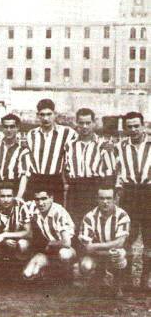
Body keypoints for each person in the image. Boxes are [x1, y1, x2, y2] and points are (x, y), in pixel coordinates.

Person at [114, 111, 150, 291]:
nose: (134, 129)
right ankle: (126, 279)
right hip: (129, 194)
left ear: (143, 125)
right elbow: (116, 172)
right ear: (125, 128)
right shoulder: (119, 147)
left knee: (150, 239)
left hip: (149, 192)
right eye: (130, 126)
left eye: (137, 125)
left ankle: (146, 279)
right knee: (128, 237)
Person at [78, 186, 130, 298]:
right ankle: (96, 279)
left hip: (111, 252)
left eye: (108, 198)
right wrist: (105, 251)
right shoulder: (89, 217)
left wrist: (95, 246)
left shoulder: (122, 215)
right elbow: (86, 247)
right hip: (96, 255)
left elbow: (120, 242)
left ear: (115, 199)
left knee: (119, 255)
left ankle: (117, 285)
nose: (105, 202)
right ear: (97, 199)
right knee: (85, 265)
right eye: (101, 198)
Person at [65, 108, 114, 225]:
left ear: (94, 123)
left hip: (94, 187)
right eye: (81, 123)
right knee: (74, 222)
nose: (85, 126)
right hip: (75, 188)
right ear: (76, 124)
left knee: (94, 221)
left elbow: (110, 172)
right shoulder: (70, 145)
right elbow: (66, 168)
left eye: (88, 123)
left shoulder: (103, 144)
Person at [25, 99, 77, 203]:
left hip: (55, 180)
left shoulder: (67, 132)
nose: (46, 118)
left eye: (49, 114)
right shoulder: (31, 134)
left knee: (56, 212)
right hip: (35, 179)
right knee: (32, 212)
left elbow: (85, 138)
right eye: (42, 115)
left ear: (55, 114)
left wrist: (105, 145)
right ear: (38, 115)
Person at [23, 188, 76, 281]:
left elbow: (67, 243)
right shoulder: (33, 207)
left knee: (64, 254)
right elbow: (17, 204)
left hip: (69, 248)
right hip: (51, 250)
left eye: (44, 199)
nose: (40, 203)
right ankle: (48, 273)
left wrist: (50, 244)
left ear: (51, 198)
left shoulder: (59, 212)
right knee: (27, 274)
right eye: (37, 199)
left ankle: (66, 278)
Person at [0, 182, 32, 266]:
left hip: (17, 242)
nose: (6, 200)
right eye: (2, 196)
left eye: (9, 196)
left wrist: (5, 234)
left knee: (23, 244)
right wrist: (3, 241)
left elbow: (29, 233)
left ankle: (21, 268)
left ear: (14, 196)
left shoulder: (20, 205)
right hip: (0, 244)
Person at [0, 113, 30, 199]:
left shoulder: (23, 149)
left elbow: (24, 176)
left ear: (17, 128)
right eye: (6, 127)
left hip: (13, 188)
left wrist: (18, 197)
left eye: (12, 127)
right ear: (2, 128)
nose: (9, 130)